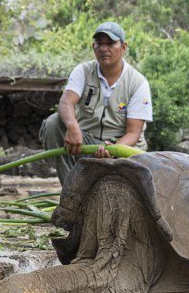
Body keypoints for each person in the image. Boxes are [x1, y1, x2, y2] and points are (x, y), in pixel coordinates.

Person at [39, 21, 153, 184]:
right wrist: (73, 127)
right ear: (93, 46)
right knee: (52, 124)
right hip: (87, 144)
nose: (104, 48)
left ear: (123, 47)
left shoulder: (138, 82)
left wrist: (112, 149)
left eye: (110, 43)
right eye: (99, 43)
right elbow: (65, 103)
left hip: (122, 149)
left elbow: (133, 133)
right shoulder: (83, 71)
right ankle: (72, 190)